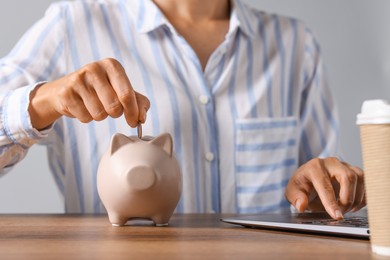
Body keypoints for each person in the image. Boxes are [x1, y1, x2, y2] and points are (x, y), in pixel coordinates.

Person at [0, 0, 365, 219]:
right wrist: (40, 103)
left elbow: (322, 199)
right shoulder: (73, 24)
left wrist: (329, 192)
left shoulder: (294, 45)